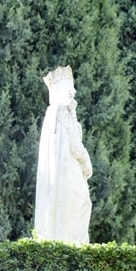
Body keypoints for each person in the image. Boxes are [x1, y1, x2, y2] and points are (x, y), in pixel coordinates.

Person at [34, 65, 93, 244]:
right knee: (81, 205)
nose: (72, 91)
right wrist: (86, 163)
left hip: (65, 173)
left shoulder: (53, 113)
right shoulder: (61, 111)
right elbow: (75, 145)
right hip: (70, 173)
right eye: (69, 86)